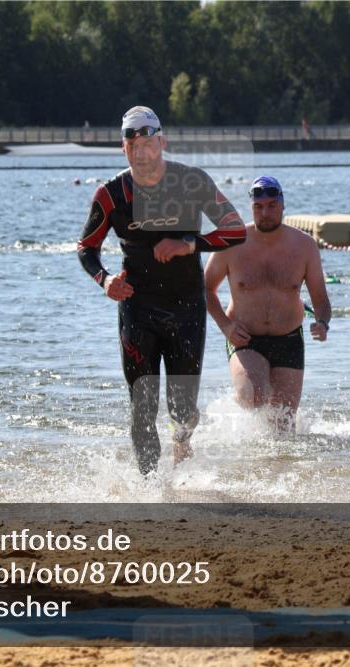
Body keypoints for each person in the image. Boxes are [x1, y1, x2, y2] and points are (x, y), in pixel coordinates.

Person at [77, 106, 245, 475]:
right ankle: (151, 487)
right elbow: (86, 248)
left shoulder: (192, 182)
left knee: (183, 410)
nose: (140, 150)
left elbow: (236, 230)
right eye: (131, 142)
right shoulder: (110, 195)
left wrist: (188, 244)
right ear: (123, 148)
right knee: (142, 406)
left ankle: (182, 443)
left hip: (186, 307)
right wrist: (105, 280)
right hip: (138, 309)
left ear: (162, 142)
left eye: (147, 142)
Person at [204, 176, 331, 434]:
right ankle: (230, 423)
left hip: (289, 338)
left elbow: (320, 298)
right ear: (251, 208)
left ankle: (273, 470)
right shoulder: (231, 243)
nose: (266, 213)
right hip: (244, 337)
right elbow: (204, 289)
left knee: (283, 428)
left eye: (272, 205)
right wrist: (226, 327)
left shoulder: (304, 246)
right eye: (259, 207)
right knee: (255, 396)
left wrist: (322, 322)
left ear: (283, 206)